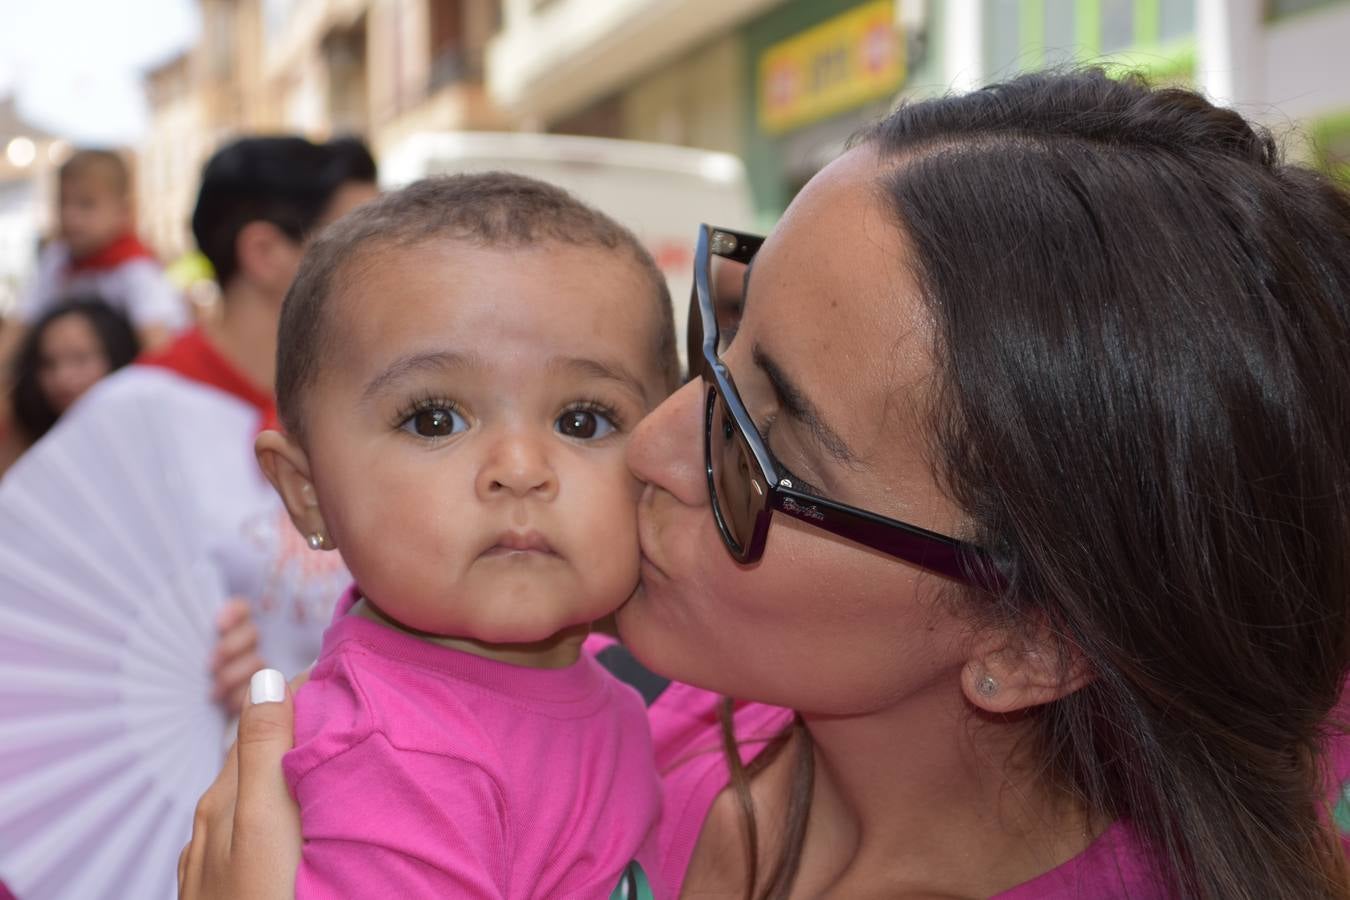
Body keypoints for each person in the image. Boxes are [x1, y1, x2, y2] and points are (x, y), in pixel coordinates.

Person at [180, 70, 1350, 899]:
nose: (646, 448)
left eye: (768, 443)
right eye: (717, 352)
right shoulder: (676, 692)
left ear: (1030, 640)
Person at [250, 172, 678, 896]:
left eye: (583, 420)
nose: (519, 469)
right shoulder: (394, 760)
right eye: (433, 419)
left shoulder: (613, 694)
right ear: (308, 492)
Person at [0, 136, 379, 712]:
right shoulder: (129, 418)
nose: (393, 259)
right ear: (264, 252)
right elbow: (48, 629)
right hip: (208, 784)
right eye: (362, 237)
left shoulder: (387, 411)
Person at [7, 150, 187, 356]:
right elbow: (20, 326)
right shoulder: (58, 259)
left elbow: (158, 347)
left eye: (86, 205)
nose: (70, 217)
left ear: (123, 211)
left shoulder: (136, 271)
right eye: (62, 203)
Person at [0, 298, 140, 475]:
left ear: (117, 357)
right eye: (48, 363)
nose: (62, 377)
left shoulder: (141, 443)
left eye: (80, 359)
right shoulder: (23, 443)